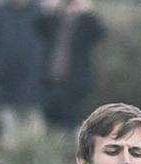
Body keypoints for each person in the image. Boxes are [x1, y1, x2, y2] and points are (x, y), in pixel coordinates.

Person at [37, 0, 104, 130]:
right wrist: (49, 8)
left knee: (71, 123)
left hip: (75, 84)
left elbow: (101, 32)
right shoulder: (53, 21)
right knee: (51, 123)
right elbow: (37, 25)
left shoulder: (86, 23)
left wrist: (87, 11)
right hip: (50, 82)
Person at [0, 0, 44, 142]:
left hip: (37, 85)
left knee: (35, 135)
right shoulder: (0, 13)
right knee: (9, 136)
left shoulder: (40, 13)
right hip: (6, 84)